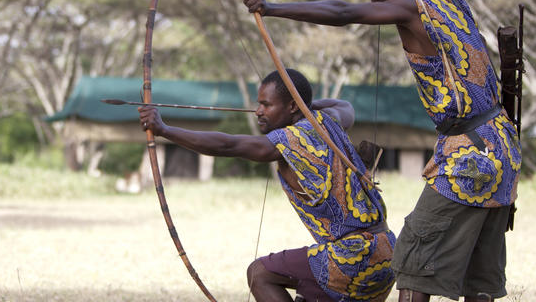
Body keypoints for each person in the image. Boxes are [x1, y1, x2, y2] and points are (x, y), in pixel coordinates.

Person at [238, 0, 521, 302]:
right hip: (501, 147)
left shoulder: (410, 6)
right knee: (479, 269)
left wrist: (271, 8)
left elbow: (343, 13)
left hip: (468, 155)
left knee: (413, 256)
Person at [139, 69, 396, 302]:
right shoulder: (326, 120)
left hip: (353, 258)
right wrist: (303, 107)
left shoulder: (290, 140)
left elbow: (227, 145)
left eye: (266, 104)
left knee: (259, 273)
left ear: (293, 106)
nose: (258, 111)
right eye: (258, 104)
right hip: (386, 253)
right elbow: (345, 105)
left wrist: (163, 130)